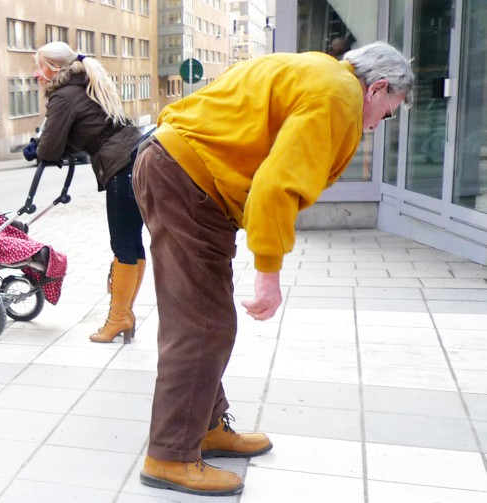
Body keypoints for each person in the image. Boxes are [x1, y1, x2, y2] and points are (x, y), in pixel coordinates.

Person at [132, 41, 414, 496]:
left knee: (204, 317)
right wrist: (269, 272)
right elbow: (277, 185)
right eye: (389, 111)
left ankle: (204, 426)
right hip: (187, 180)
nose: (381, 123)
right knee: (203, 324)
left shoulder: (316, 71)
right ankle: (169, 455)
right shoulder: (338, 97)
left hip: (184, 174)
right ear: (378, 88)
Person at [32, 41, 146, 344]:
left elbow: (51, 145)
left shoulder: (63, 94)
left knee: (122, 244)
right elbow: (86, 131)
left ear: (53, 68)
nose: (36, 73)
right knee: (132, 243)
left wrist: (39, 150)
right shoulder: (84, 84)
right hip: (136, 156)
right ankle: (126, 314)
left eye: (39, 66)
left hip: (121, 165)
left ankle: (119, 318)